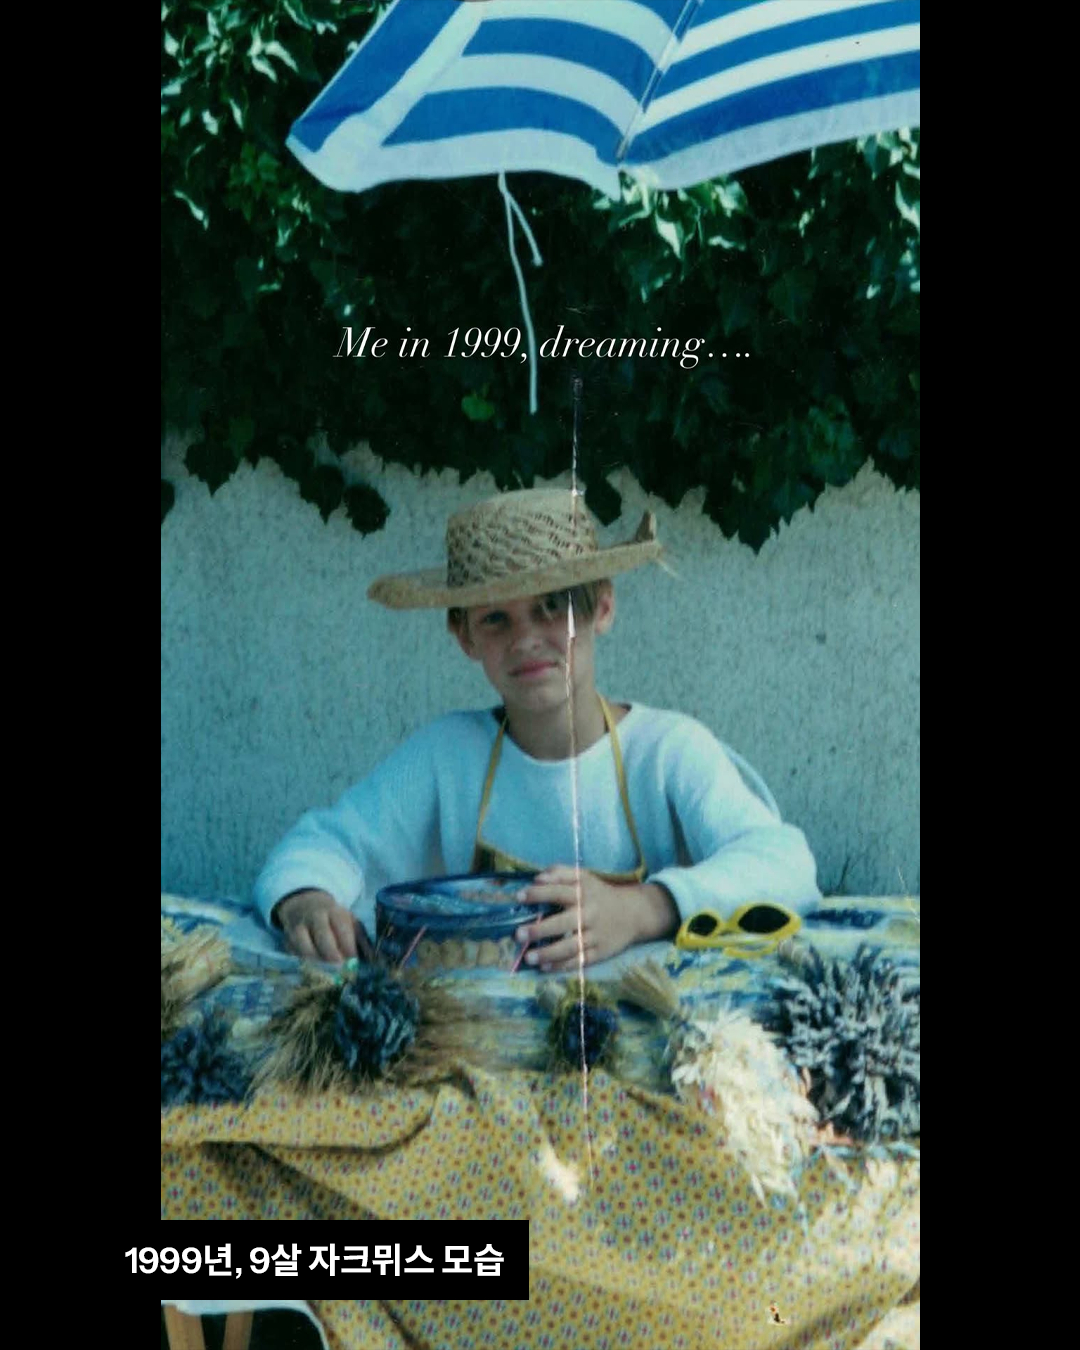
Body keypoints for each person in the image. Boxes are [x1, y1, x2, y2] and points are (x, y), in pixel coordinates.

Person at [254, 487, 820, 970]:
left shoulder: (666, 751)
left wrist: (643, 909)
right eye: (496, 619)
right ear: (465, 637)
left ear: (602, 608)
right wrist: (307, 901)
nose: (526, 639)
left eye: (552, 607)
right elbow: (320, 844)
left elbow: (788, 864)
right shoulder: (448, 756)